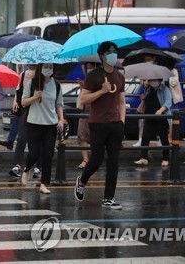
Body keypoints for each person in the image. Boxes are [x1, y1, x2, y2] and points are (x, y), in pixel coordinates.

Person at [74, 41, 126, 210]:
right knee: (96, 159)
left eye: (115, 52)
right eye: (110, 53)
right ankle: (82, 181)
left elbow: (122, 101)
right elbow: (83, 99)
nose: (114, 55)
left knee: (114, 162)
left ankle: (108, 198)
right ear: (102, 56)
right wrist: (102, 91)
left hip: (115, 124)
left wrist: (122, 121)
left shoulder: (120, 76)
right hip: (97, 123)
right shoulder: (93, 76)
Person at [20, 63, 64, 194]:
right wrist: (34, 97)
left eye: (51, 67)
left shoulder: (56, 85)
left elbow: (59, 104)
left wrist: (61, 119)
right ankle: (27, 169)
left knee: (48, 154)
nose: (48, 69)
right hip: (34, 123)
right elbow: (23, 102)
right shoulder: (33, 83)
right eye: (46, 66)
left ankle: (44, 183)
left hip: (51, 124)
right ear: (40, 67)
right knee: (34, 153)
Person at [8, 64, 42, 178]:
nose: (32, 66)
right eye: (30, 64)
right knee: (22, 137)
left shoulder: (43, 77)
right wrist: (15, 102)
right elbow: (18, 91)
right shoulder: (23, 75)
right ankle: (17, 165)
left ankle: (38, 167)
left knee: (37, 140)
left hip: (38, 110)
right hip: (25, 110)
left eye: (34, 64)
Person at [134, 78, 172, 166]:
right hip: (149, 117)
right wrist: (143, 98)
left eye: (154, 80)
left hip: (161, 118)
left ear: (159, 80)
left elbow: (168, 102)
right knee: (145, 137)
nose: (152, 82)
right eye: (150, 80)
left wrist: (161, 110)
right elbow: (146, 100)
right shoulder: (148, 89)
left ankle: (165, 159)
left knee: (164, 139)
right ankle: (144, 158)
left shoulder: (165, 89)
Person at [76, 61, 99, 169]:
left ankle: (94, 162)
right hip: (85, 112)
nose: (87, 68)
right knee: (82, 135)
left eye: (90, 66)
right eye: (86, 66)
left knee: (95, 138)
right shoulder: (86, 80)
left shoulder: (100, 79)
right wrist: (82, 86)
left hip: (97, 112)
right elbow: (83, 98)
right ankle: (85, 160)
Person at [133, 54, 157, 147]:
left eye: (149, 59)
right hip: (146, 98)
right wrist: (143, 81)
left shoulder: (158, 70)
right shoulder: (143, 71)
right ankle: (140, 139)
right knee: (142, 120)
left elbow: (158, 83)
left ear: (154, 59)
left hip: (155, 98)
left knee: (158, 121)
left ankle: (161, 140)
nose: (147, 61)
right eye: (146, 60)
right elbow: (142, 83)